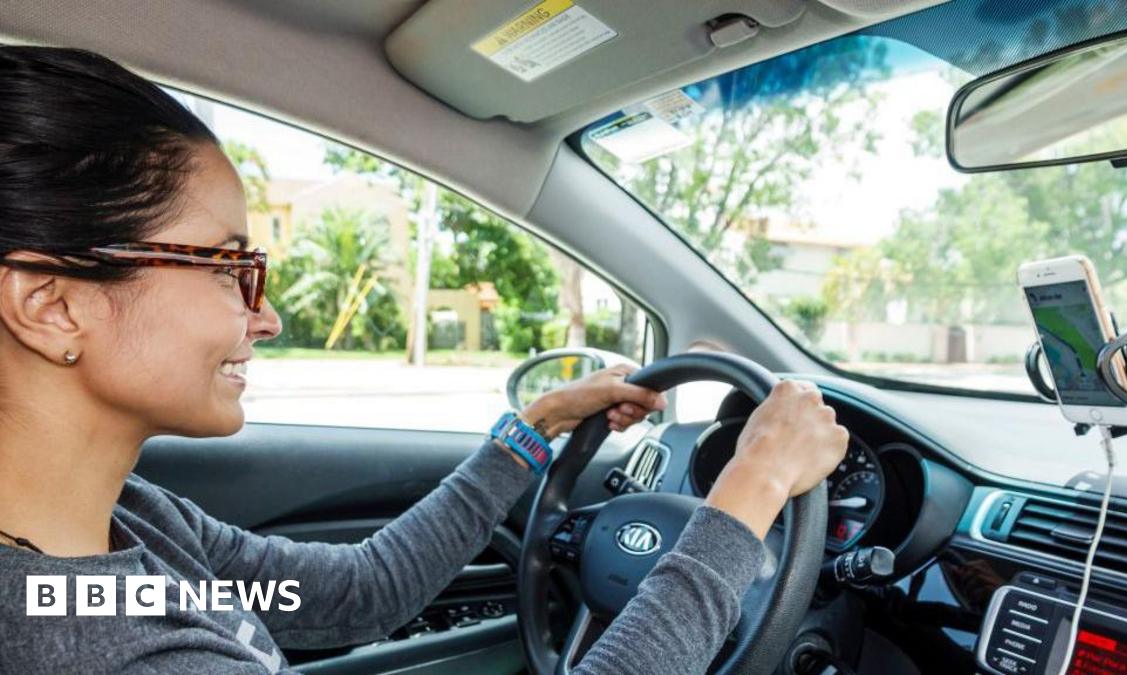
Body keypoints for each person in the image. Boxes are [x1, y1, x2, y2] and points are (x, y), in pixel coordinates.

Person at [0, 46, 849, 674]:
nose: (267, 314)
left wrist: (537, 426)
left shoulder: (120, 542)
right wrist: (749, 497)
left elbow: (359, 592)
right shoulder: (111, 652)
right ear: (54, 304)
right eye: (227, 266)